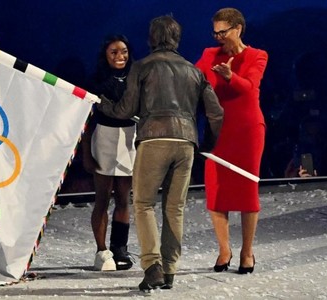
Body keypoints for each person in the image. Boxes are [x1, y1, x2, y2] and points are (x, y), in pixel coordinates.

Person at [97, 15, 224, 291]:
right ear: (176, 39)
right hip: (186, 141)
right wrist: (206, 145)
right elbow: (216, 113)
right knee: (174, 208)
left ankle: (152, 265)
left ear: (151, 39)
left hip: (154, 139)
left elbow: (125, 110)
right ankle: (169, 270)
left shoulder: (141, 67)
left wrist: (102, 103)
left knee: (143, 204)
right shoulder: (194, 71)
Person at [195, 7, 268, 274]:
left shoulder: (258, 56)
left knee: (247, 192)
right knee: (217, 191)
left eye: (222, 32)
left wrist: (230, 76)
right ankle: (224, 250)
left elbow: (249, 87)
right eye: (215, 32)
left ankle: (247, 252)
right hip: (218, 131)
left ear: (237, 29)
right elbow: (193, 78)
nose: (218, 37)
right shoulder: (209, 54)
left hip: (248, 131)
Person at [81, 35, 136, 271]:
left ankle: (119, 248)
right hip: (103, 137)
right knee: (102, 199)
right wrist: (86, 153)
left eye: (123, 51)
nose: (120, 56)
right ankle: (102, 251)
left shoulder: (136, 77)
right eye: (114, 52)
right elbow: (86, 121)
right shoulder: (95, 80)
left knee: (124, 198)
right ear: (105, 54)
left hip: (129, 138)